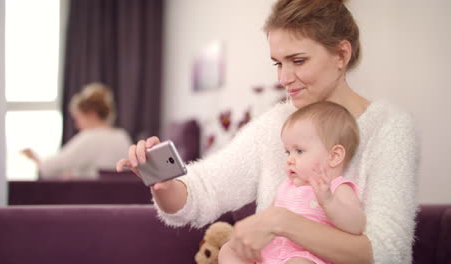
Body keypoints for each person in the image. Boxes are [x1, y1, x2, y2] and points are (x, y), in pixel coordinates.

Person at [117, 0, 418, 262]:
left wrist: (280, 221)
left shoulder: (389, 127)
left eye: (298, 61)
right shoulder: (276, 123)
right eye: (278, 63)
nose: (284, 78)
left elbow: (387, 251)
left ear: (341, 55)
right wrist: (163, 183)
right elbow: (204, 191)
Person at [219, 101, 365, 264]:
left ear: (334, 156)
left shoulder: (338, 187)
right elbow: (268, 220)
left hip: (307, 257)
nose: (289, 159)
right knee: (228, 249)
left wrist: (329, 202)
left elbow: (356, 225)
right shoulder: (286, 186)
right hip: (272, 252)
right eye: (288, 152)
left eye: (299, 151)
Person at [23, 82, 132, 179]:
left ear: (91, 115)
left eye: (78, 118)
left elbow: (49, 168)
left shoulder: (89, 138)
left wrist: (35, 158)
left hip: (94, 198)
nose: (76, 125)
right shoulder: (122, 136)